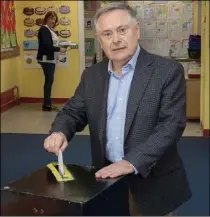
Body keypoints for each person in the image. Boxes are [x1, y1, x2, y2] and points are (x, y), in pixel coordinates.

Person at [43, 2, 192, 216]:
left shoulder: (167, 72)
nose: (116, 40)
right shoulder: (92, 76)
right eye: (107, 33)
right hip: (105, 180)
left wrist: (130, 162)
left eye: (122, 30)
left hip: (152, 183)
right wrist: (60, 131)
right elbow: (73, 112)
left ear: (137, 30)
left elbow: (171, 125)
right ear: (99, 39)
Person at [37, 11, 66, 111]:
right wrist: (59, 49)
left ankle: (47, 103)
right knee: (49, 82)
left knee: (49, 81)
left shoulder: (50, 30)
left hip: (51, 59)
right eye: (51, 18)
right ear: (46, 19)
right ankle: (46, 105)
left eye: (54, 19)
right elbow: (46, 45)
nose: (53, 20)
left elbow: (52, 44)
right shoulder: (44, 29)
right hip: (47, 60)